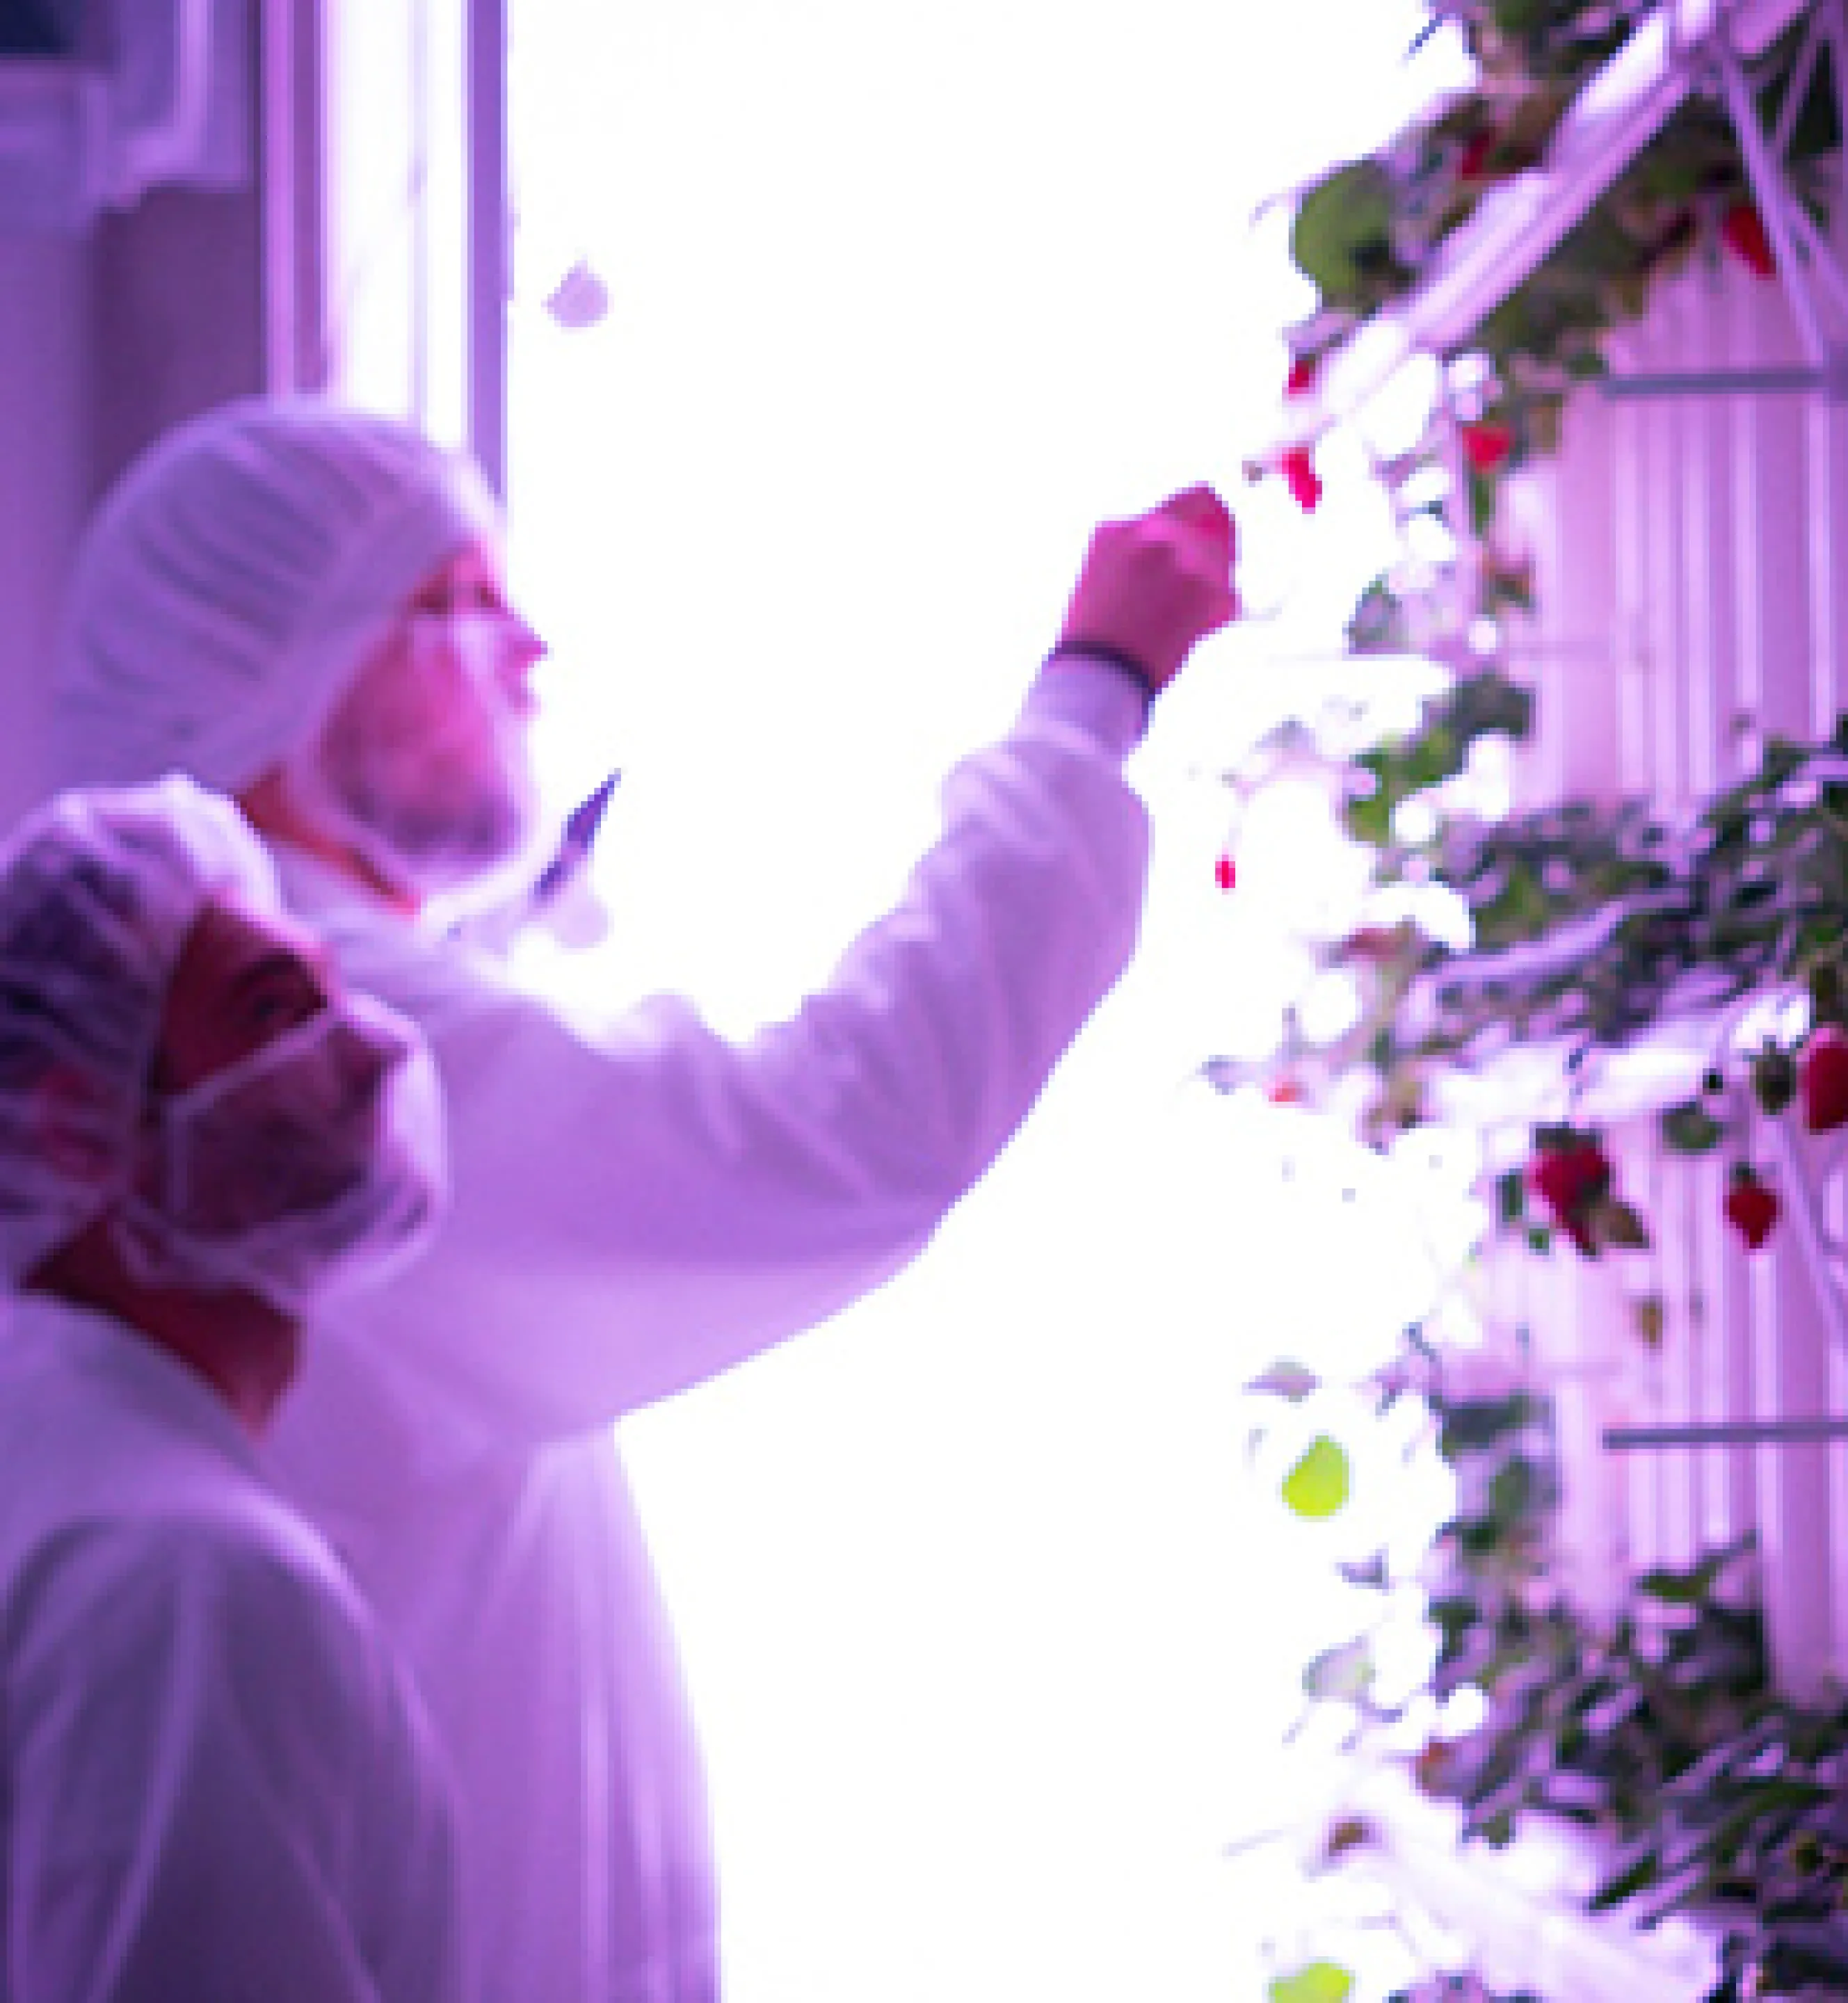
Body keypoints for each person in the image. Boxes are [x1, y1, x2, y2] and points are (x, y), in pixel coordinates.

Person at [51, 394, 1242, 2002]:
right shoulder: (323, 1074)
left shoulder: (297, 1022)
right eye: (460, 603)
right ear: (285, 664)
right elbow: (836, 1136)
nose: (529, 647)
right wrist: (1095, 692)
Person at [0, 775, 466, 2002]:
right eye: (277, 1010)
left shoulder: (67, 1489)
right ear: (76, 1130)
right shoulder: (179, 1577)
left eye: (334, 989)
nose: (365, 1052)